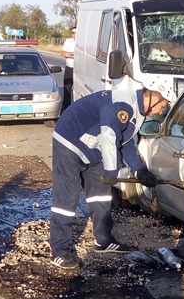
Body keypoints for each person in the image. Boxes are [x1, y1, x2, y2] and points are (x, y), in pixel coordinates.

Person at [49, 78, 174, 269]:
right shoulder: (124, 104)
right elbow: (108, 134)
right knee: (67, 198)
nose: (162, 110)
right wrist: (111, 171)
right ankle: (59, 250)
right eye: (164, 105)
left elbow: (126, 142)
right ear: (155, 97)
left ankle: (103, 240)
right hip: (70, 141)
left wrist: (140, 171)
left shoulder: (139, 111)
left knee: (100, 194)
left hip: (94, 146)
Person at [61, 27, 76, 112]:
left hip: (78, 69)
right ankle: (66, 110)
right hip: (69, 68)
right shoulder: (68, 41)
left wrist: (69, 54)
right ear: (72, 34)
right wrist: (73, 55)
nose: (76, 36)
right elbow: (63, 53)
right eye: (74, 34)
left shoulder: (82, 42)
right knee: (67, 90)